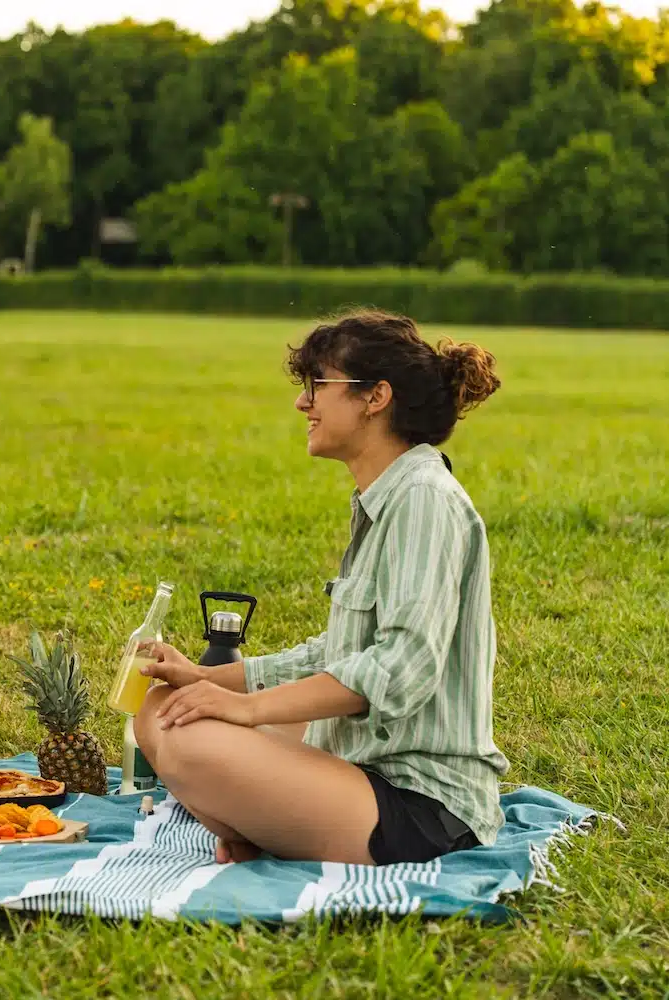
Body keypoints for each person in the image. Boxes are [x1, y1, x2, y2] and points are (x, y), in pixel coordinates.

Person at [133, 309, 509, 867]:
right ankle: (271, 822)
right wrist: (210, 679)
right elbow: (336, 652)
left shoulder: (424, 499)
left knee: (186, 738)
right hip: (364, 756)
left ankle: (272, 823)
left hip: (422, 804)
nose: (302, 403)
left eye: (318, 386)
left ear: (375, 397)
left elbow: (401, 667)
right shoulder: (385, 497)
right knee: (160, 706)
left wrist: (251, 710)